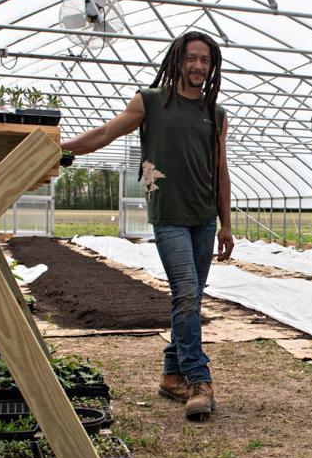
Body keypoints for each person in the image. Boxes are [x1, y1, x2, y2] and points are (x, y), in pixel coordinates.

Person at [61, 31, 234, 421]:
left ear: (212, 66)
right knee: (186, 293)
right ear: (177, 60)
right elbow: (106, 133)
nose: (198, 66)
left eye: (205, 60)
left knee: (189, 298)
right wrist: (61, 147)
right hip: (169, 216)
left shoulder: (216, 113)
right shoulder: (151, 102)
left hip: (204, 219)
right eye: (191, 58)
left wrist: (226, 224)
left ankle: (171, 375)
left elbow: (220, 170)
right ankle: (198, 379)